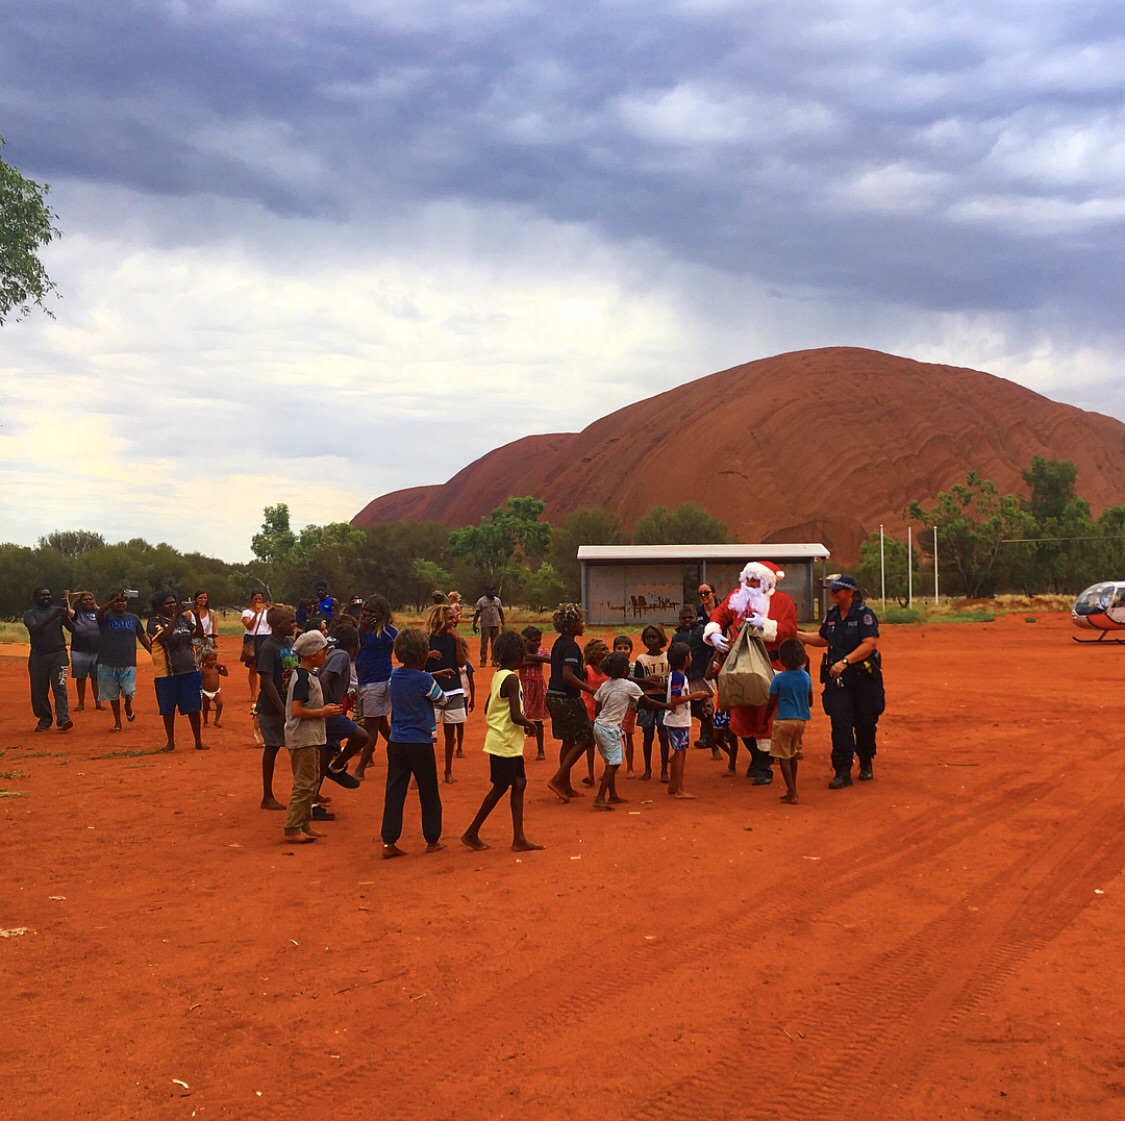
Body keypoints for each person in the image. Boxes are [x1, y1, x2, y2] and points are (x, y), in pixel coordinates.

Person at [704, 561, 799, 785]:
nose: (749, 583)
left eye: (755, 579)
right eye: (747, 578)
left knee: (766, 713)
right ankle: (757, 758)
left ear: (767, 581)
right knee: (740, 712)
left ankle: (764, 765)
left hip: (770, 664)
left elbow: (790, 630)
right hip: (741, 663)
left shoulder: (783, 601)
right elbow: (718, 615)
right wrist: (714, 634)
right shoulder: (737, 597)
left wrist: (765, 625)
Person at [797, 574, 884, 789]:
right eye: (831, 590)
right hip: (838, 681)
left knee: (865, 723)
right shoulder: (832, 615)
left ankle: (866, 762)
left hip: (863, 679)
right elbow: (823, 639)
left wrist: (845, 661)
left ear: (850, 592)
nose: (833, 593)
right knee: (840, 724)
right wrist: (796, 634)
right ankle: (842, 770)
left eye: (837, 589)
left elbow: (870, 644)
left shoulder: (864, 615)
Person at [461, 630, 543, 852]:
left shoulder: (499, 675)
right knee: (500, 787)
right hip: (505, 742)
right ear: (517, 654)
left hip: (506, 741)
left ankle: (519, 838)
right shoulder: (512, 678)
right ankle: (471, 832)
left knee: (519, 783)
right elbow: (516, 716)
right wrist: (531, 724)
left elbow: (490, 707)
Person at [380, 627, 449, 859]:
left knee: (395, 790)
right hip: (420, 741)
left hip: (397, 740)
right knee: (428, 791)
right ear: (423, 655)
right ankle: (432, 839)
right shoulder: (425, 679)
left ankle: (389, 841)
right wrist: (432, 678)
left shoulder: (393, 675)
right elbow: (442, 699)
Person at [282, 630, 342, 845]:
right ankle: (292, 827)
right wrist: (323, 712)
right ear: (314, 654)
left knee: (312, 780)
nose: (327, 654)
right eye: (325, 651)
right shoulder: (302, 678)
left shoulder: (308, 675)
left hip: (312, 736)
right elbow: (297, 711)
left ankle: (303, 823)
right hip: (302, 737)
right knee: (304, 783)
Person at [544, 603, 597, 802]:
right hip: (567, 698)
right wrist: (590, 688)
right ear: (572, 624)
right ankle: (558, 780)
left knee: (568, 739)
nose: (583, 625)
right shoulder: (571, 646)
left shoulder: (560, 643)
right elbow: (567, 675)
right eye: (580, 621)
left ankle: (565, 785)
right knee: (586, 737)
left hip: (553, 696)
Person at [147, 591, 206, 752]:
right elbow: (165, 635)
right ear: (159, 607)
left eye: (174, 602)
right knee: (168, 709)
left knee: (194, 707)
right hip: (167, 673)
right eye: (168, 603)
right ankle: (170, 741)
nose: (173, 605)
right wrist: (176, 615)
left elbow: (199, 635)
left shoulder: (184, 620)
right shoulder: (154, 622)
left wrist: (197, 616)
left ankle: (198, 740)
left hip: (190, 668)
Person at [255, 605, 298, 810]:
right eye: (290, 622)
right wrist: (281, 709)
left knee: (298, 748)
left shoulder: (289, 642)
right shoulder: (268, 647)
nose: (294, 625)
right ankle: (267, 795)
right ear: (277, 624)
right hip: (272, 708)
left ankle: (306, 790)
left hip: (289, 704)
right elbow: (266, 681)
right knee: (272, 748)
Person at [353, 596, 398, 781]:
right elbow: (353, 652)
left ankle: (360, 769)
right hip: (362, 682)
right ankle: (402, 752)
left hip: (378, 683)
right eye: (366, 611)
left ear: (382, 615)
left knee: (369, 726)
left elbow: (403, 647)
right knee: (380, 723)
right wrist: (361, 631)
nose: (367, 615)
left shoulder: (387, 633)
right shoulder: (360, 632)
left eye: (373, 612)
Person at [317, 622, 367, 789]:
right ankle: (337, 768)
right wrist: (325, 709)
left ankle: (313, 795)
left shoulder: (331, 652)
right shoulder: (342, 656)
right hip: (330, 710)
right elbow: (325, 678)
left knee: (327, 750)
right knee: (362, 736)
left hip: (327, 709)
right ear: (355, 645)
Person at [764, 638, 813, 804]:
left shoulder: (779, 679)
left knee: (783, 757)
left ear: (782, 659)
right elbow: (810, 700)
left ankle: (791, 792)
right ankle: (793, 789)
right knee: (792, 754)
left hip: (784, 720)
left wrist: (765, 719)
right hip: (801, 721)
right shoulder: (805, 677)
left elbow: (771, 703)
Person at [96, 592, 151, 731]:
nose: (121, 603)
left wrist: (153, 652)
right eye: (117, 601)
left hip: (128, 661)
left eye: (124, 601)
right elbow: (100, 611)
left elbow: (143, 638)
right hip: (107, 661)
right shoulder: (105, 617)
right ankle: (117, 722)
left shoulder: (133, 618)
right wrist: (114, 599)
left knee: (129, 690)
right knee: (112, 694)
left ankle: (127, 705)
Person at [426, 603, 467, 783]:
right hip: (431, 691)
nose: (454, 621)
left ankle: (448, 772)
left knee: (450, 735)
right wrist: (427, 655)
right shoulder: (426, 640)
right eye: (450, 618)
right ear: (439, 619)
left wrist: (457, 641)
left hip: (454, 690)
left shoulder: (454, 640)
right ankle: (422, 774)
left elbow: (461, 663)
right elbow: (417, 665)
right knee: (427, 735)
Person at [23, 587, 74, 732]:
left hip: (59, 654)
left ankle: (63, 718)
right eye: (42, 595)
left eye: (48, 594)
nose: (46, 597)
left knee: (60, 686)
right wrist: (54, 616)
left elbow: (72, 629)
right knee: (39, 690)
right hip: (38, 656)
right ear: (35, 598)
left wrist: (64, 617)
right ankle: (44, 720)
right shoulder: (30, 614)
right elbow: (34, 629)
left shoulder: (58, 610)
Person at [673, 605, 716, 754]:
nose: (687, 620)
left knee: (707, 710)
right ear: (679, 619)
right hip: (684, 678)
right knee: (686, 708)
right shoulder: (676, 636)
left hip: (701, 676)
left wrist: (711, 668)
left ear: (696, 618)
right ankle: (682, 742)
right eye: (684, 618)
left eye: (690, 617)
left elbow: (712, 650)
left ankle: (709, 739)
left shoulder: (702, 631)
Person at [634, 624, 671, 782]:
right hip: (647, 702)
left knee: (663, 735)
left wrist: (654, 684)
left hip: (663, 701)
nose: (651, 640)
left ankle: (664, 770)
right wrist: (657, 685)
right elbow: (639, 683)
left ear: (661, 639)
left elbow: (672, 680)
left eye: (654, 637)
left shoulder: (668, 657)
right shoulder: (641, 659)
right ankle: (647, 769)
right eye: (648, 637)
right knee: (647, 736)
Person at [581, 637, 610, 787]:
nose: (606, 651)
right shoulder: (587, 670)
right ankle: (591, 774)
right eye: (602, 648)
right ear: (592, 653)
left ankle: (607, 770)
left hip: (604, 711)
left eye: (606, 648)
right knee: (590, 744)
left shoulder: (608, 670)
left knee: (605, 743)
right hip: (588, 710)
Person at [518, 626, 550, 761]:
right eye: (533, 641)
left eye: (539, 640)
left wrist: (529, 659)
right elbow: (520, 662)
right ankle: (518, 749)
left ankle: (540, 749)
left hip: (538, 688)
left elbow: (549, 659)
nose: (537, 643)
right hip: (524, 688)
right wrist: (537, 659)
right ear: (525, 641)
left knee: (538, 720)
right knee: (521, 718)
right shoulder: (520, 653)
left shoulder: (541, 651)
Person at [69, 591, 103, 712]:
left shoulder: (99, 613)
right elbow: (68, 612)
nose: (89, 601)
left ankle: (98, 702)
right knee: (81, 677)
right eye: (85, 600)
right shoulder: (76, 613)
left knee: (96, 678)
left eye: (91, 599)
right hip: (79, 649)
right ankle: (81, 703)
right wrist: (66, 597)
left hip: (97, 649)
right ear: (80, 602)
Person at [612, 635, 639, 777]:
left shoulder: (634, 667)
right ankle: (613, 766)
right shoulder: (609, 669)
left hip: (628, 707)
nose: (623, 651)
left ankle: (630, 767)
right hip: (613, 708)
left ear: (631, 650)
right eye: (619, 648)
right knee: (612, 738)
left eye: (626, 648)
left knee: (628, 736)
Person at [241, 590, 271, 710]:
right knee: (253, 667)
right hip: (252, 639)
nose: (258, 601)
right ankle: (253, 693)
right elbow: (249, 626)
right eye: (255, 599)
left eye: (260, 599)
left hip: (266, 638)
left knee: (267, 667)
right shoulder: (246, 612)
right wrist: (257, 614)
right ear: (251, 600)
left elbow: (275, 622)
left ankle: (267, 691)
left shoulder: (267, 612)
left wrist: (271, 610)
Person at [472, 587, 505, 666]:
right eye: (490, 590)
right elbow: (477, 613)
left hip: (495, 625)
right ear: (486, 591)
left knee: (495, 644)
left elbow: (501, 612)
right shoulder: (481, 601)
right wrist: (474, 624)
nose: (493, 592)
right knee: (484, 644)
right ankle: (483, 661)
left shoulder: (497, 600)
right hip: (485, 625)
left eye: (494, 590)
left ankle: (495, 661)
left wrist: (503, 623)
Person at [200, 649, 227, 727]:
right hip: (205, 692)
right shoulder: (202, 670)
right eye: (210, 660)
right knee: (205, 707)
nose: (213, 661)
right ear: (204, 660)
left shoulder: (216, 668)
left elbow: (225, 674)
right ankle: (205, 721)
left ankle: (216, 721)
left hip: (215, 691)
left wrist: (224, 667)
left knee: (220, 704)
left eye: (214, 659)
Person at [192, 591, 218, 662]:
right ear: (195, 599)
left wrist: (215, 645)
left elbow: (215, 631)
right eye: (200, 598)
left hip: (208, 643)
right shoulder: (189, 613)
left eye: (205, 598)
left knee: (208, 666)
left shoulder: (211, 613)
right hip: (194, 643)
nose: (203, 600)